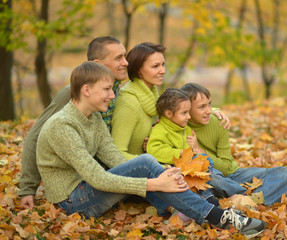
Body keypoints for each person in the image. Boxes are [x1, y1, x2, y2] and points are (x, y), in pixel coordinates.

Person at [36, 61, 266, 238]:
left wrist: (160, 171)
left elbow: (115, 159)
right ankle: (217, 215)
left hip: (90, 188)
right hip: (72, 201)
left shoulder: (93, 118)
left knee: (149, 164)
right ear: (86, 90)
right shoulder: (62, 126)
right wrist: (155, 182)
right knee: (147, 164)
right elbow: (97, 179)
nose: (112, 95)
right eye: (106, 89)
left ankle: (200, 207)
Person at [18, 36, 129, 209]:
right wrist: (27, 189)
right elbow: (35, 136)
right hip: (80, 180)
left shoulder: (116, 93)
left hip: (104, 167)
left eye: (125, 56)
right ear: (97, 63)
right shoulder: (72, 95)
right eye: (118, 58)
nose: (126, 62)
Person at [181, 83, 287, 206]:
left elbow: (226, 167)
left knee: (284, 173)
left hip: (234, 174)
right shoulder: (179, 127)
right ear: (187, 109)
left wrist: (201, 151)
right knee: (213, 179)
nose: (208, 111)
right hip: (211, 177)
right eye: (202, 107)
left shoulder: (220, 122)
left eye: (210, 104)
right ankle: (248, 199)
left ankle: (248, 202)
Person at [111, 42, 229, 160]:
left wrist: (211, 110)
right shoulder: (128, 103)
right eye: (155, 66)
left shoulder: (152, 97)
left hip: (163, 161)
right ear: (138, 70)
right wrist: (151, 163)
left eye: (163, 64)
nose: (163, 70)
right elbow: (117, 154)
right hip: (143, 168)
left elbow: (178, 108)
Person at [147, 88, 219, 207]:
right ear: (169, 114)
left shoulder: (185, 129)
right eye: (184, 113)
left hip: (186, 167)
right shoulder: (160, 130)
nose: (189, 117)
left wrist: (193, 151)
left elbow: (190, 151)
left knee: (206, 160)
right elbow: (154, 150)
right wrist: (180, 152)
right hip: (170, 168)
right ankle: (201, 196)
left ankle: (204, 194)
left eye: (189, 112)